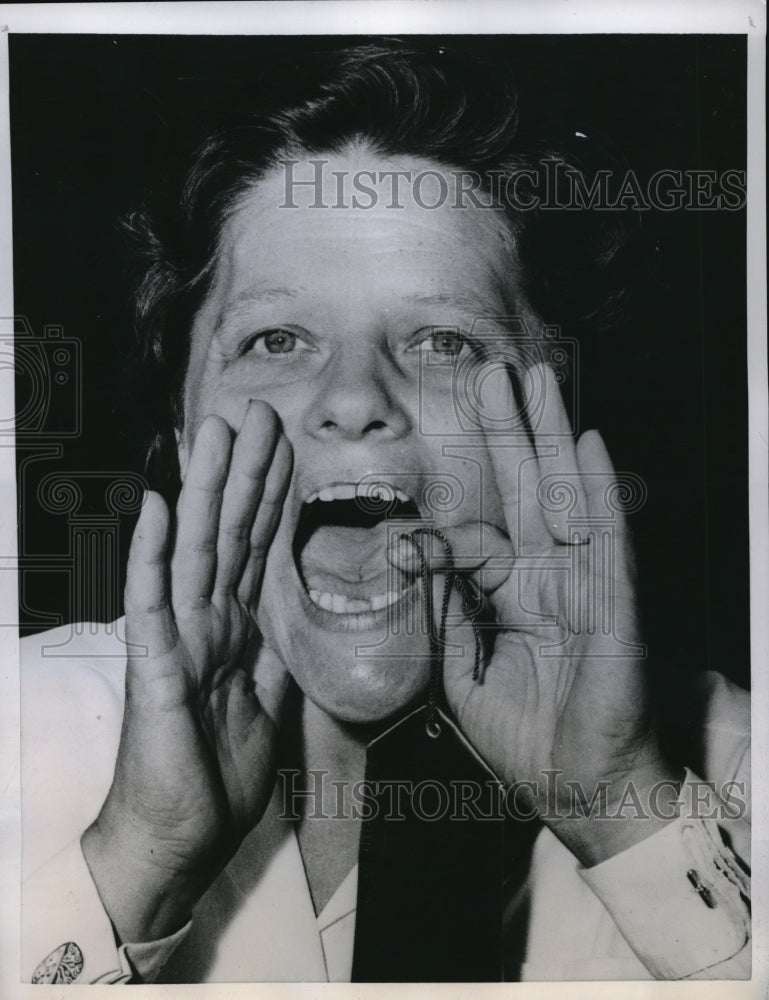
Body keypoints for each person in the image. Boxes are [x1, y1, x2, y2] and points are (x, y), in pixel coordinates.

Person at [21, 40, 750, 984]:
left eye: (444, 340)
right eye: (276, 338)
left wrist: (620, 811)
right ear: (181, 417)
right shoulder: (18, 729)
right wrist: (140, 859)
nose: (355, 394)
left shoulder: (735, 768)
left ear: (553, 412)